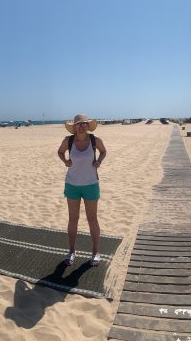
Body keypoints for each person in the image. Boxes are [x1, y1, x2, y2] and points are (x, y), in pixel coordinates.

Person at [57, 114, 107, 266]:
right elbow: (60, 152)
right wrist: (65, 161)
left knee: (92, 219)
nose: (81, 126)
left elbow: (103, 151)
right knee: (73, 220)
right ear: (74, 127)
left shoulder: (94, 140)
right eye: (78, 124)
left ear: (87, 125)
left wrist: (99, 161)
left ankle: (96, 252)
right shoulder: (69, 141)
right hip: (72, 185)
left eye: (84, 123)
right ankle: (72, 251)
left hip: (91, 185)